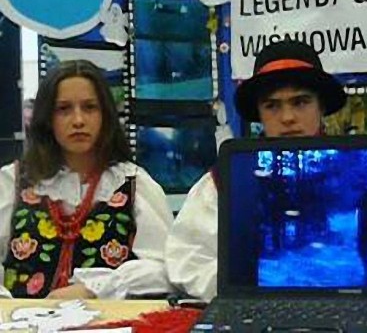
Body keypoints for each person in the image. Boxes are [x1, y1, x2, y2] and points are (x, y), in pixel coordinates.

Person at [165, 39, 347, 301]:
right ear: (259, 113)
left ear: (322, 107)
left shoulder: (351, 167)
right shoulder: (225, 179)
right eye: (272, 105)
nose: (287, 118)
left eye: (300, 102)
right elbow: (187, 260)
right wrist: (250, 287)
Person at [0, 60, 174, 299]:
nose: (78, 120)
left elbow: (166, 268)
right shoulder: (11, 182)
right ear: (47, 118)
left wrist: (96, 288)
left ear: (105, 116)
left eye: (89, 107)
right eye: (64, 109)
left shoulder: (133, 184)